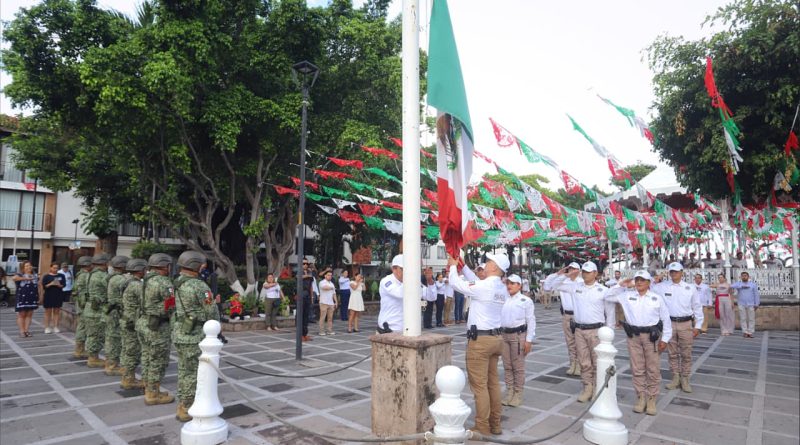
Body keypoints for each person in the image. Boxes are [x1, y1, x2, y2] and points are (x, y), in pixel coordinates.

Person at [448, 252, 508, 436]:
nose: (486, 264)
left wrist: (452, 266)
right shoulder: (501, 287)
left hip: (480, 341)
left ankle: (482, 427)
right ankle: (495, 424)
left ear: (495, 267)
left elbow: (456, 283)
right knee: (493, 384)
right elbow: (475, 281)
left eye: (489, 262)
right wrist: (462, 265)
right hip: (495, 339)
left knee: (480, 386)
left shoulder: (485, 286)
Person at [547, 261, 615, 403]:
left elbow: (610, 314)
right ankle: (587, 387)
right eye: (583, 271)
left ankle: (597, 388)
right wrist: (564, 275)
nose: (585, 274)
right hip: (579, 330)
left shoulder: (603, 290)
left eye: (588, 272)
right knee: (584, 362)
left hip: (596, 331)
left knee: (597, 362)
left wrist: (609, 334)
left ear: (595, 273)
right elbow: (552, 285)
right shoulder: (575, 287)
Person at [608, 271, 672, 415]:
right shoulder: (627, 296)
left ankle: (652, 398)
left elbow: (666, 319)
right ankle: (641, 397)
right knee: (637, 368)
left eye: (643, 280)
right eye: (637, 280)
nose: (639, 282)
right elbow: (608, 296)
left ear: (649, 282)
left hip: (651, 337)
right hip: (634, 336)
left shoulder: (656, 298)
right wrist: (621, 284)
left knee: (653, 369)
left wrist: (665, 339)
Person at [173, 251, 221, 422]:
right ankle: (187, 406)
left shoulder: (176, 282)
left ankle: (183, 403)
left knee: (184, 369)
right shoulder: (199, 286)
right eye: (202, 266)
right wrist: (216, 329)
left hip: (180, 331)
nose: (203, 268)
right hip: (195, 334)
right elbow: (211, 312)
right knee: (193, 372)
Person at [652, 263, 702, 394]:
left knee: (686, 353)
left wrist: (698, 326)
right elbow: (647, 287)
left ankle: (685, 378)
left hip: (686, 324)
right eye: (671, 271)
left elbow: (697, 307)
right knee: (672, 353)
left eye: (676, 271)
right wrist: (656, 278)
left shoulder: (690, 288)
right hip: (669, 324)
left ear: (682, 272)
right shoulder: (662, 287)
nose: (674, 274)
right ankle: (675, 377)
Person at [141, 253, 176, 405]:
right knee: (158, 361)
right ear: (164, 266)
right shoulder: (164, 283)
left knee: (148, 358)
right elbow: (171, 306)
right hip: (158, 327)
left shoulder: (145, 280)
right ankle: (153, 394)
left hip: (144, 323)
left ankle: (148, 386)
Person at [500, 274, 535, 408]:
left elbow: (531, 320)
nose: (509, 285)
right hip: (504, 335)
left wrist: (529, 340)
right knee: (507, 366)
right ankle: (509, 391)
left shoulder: (525, 300)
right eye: (508, 283)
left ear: (519, 286)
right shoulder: (504, 299)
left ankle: (518, 393)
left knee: (518, 367)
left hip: (518, 335)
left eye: (513, 283)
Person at [543, 262, 582, 377]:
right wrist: (558, 274)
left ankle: (580, 364)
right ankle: (573, 363)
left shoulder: (582, 282)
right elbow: (547, 286)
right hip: (567, 315)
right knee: (570, 341)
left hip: (579, 315)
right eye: (570, 269)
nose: (572, 271)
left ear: (578, 270)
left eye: (574, 269)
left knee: (579, 341)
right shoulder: (563, 281)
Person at [120, 258, 147, 391]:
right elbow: (146, 302)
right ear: (139, 270)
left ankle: (127, 377)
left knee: (127, 349)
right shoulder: (137, 285)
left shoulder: (127, 281)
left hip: (126, 319)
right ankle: (129, 380)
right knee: (132, 351)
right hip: (132, 322)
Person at [104, 255, 130, 376]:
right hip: (117, 312)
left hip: (112, 311)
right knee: (115, 338)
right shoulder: (120, 279)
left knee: (111, 337)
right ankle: (112, 365)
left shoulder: (111, 277)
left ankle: (109, 363)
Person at [84, 253, 111, 368]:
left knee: (91, 335)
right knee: (97, 336)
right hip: (98, 310)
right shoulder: (102, 276)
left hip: (89, 308)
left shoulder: (89, 274)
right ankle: (93, 358)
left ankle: (92, 356)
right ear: (104, 263)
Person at [71, 256, 93, 358]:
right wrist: (84, 305)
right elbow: (82, 293)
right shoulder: (84, 275)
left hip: (79, 304)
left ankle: (79, 349)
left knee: (81, 327)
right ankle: (79, 350)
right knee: (82, 327)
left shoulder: (80, 274)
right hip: (82, 305)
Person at [377, 255, 404, 334]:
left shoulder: (411, 281)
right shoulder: (386, 281)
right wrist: (408, 279)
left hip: (406, 330)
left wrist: (430, 283)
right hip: (388, 330)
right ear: (394, 269)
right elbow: (400, 294)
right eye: (403, 269)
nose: (406, 271)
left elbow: (430, 297)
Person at [13, 261, 39, 338]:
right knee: (22, 315)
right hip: (22, 298)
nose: (28, 267)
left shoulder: (35, 275)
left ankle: (26, 330)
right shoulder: (20, 274)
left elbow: (38, 286)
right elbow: (14, 278)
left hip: (32, 297)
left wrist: (40, 296)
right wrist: (26, 278)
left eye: (30, 265)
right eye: (26, 266)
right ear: (23, 268)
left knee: (29, 315)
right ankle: (22, 331)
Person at [731, 271, 760, 338]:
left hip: (751, 303)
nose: (744, 277)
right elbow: (731, 286)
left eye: (745, 276)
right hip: (741, 303)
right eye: (743, 276)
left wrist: (757, 304)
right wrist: (741, 286)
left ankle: (750, 332)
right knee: (743, 318)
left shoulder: (753, 285)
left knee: (751, 319)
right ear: (741, 277)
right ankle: (745, 332)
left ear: (748, 277)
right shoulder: (739, 284)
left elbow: (756, 295)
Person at [41, 262, 66, 333]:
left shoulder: (61, 275)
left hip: (58, 295)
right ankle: (47, 327)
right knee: (48, 312)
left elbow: (64, 285)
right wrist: (51, 284)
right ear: (51, 268)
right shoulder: (46, 276)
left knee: (57, 312)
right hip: (48, 295)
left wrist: (59, 285)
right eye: (54, 268)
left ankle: (56, 326)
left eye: (57, 268)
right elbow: (44, 286)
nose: (55, 269)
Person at [299, 259, 315, 341]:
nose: (305, 265)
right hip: (301, 295)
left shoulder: (309, 273)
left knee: (306, 316)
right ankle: (300, 335)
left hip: (308, 295)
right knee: (300, 316)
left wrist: (312, 297)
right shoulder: (298, 271)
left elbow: (311, 286)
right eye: (304, 263)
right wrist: (308, 275)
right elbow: (298, 277)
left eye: (307, 264)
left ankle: (305, 334)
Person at [318, 270, 338, 336]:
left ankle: (329, 330)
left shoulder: (332, 283)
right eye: (328, 275)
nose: (330, 276)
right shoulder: (322, 282)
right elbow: (324, 288)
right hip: (323, 302)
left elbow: (334, 293)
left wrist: (336, 301)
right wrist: (332, 287)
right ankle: (321, 331)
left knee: (330, 318)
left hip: (331, 303)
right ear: (325, 276)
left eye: (331, 275)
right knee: (322, 317)